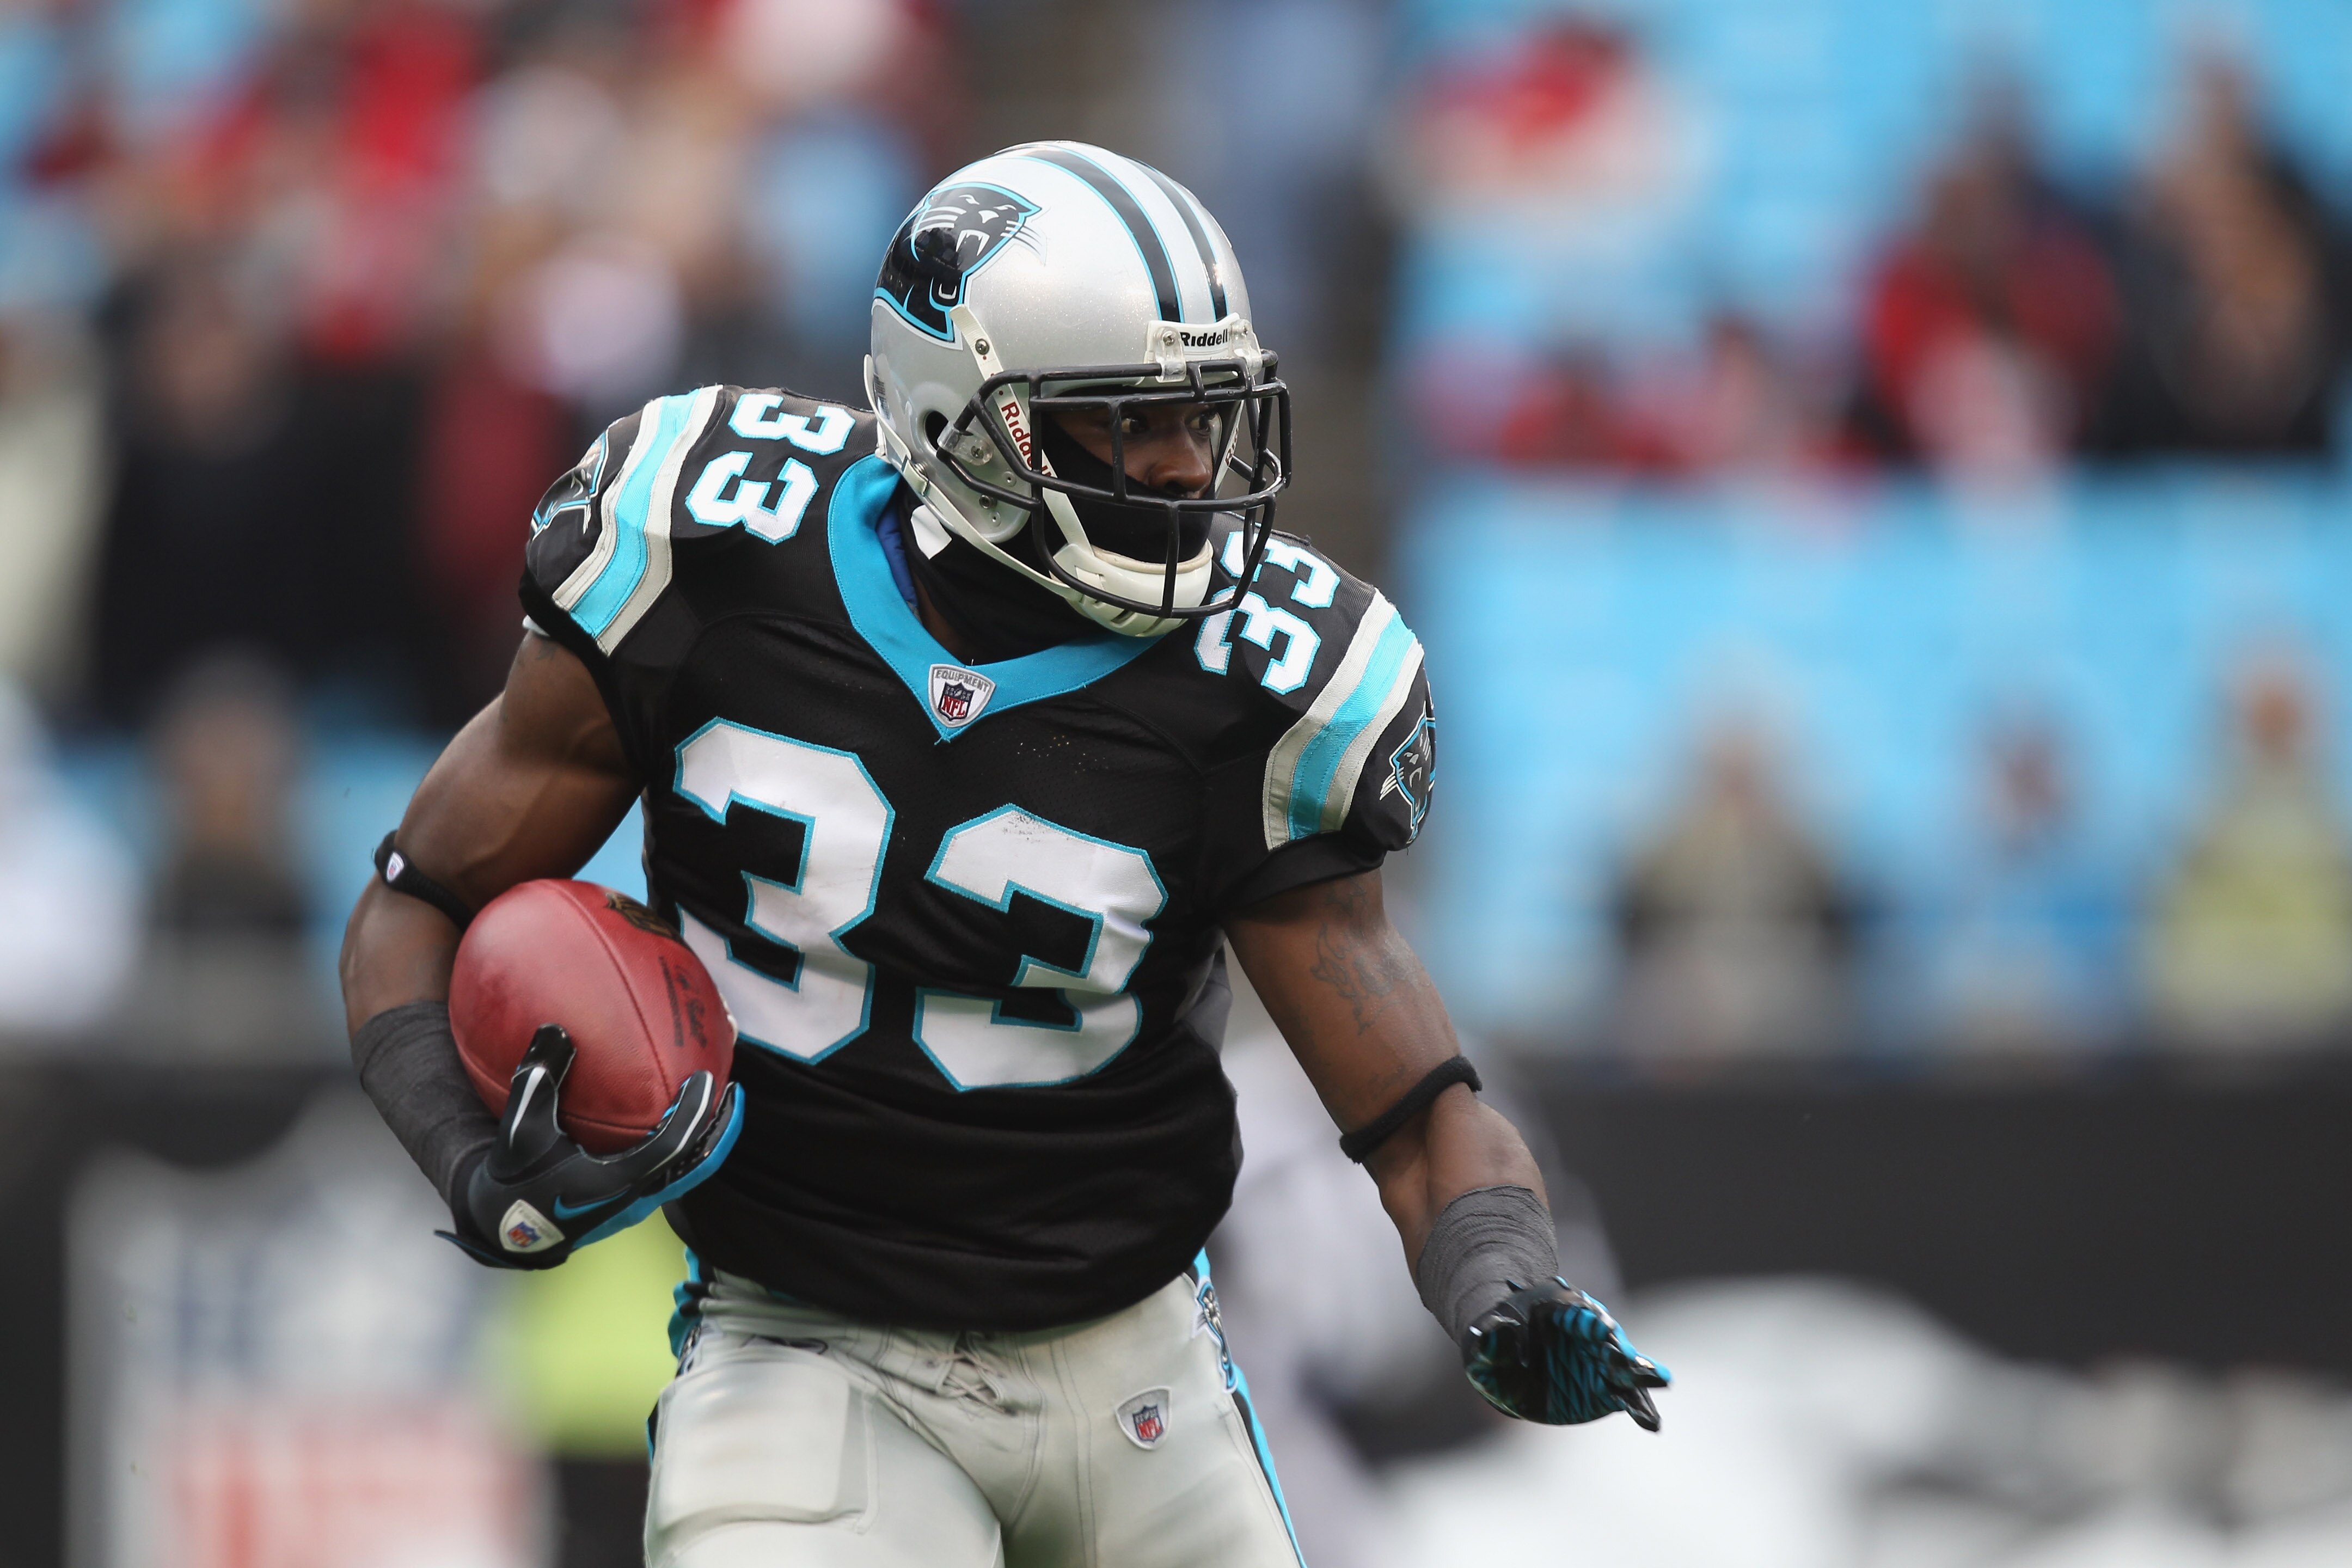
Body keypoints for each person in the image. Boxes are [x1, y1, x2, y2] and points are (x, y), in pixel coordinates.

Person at [339, 142, 1665, 1567]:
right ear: (957, 423)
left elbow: (1413, 1110)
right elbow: (416, 906)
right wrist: (469, 1160)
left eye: (1206, 417)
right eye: (1125, 427)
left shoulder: (1263, 689)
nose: (1188, 468)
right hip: (802, 1347)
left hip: (1135, 1368)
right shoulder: (703, 552)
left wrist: (1502, 1283)